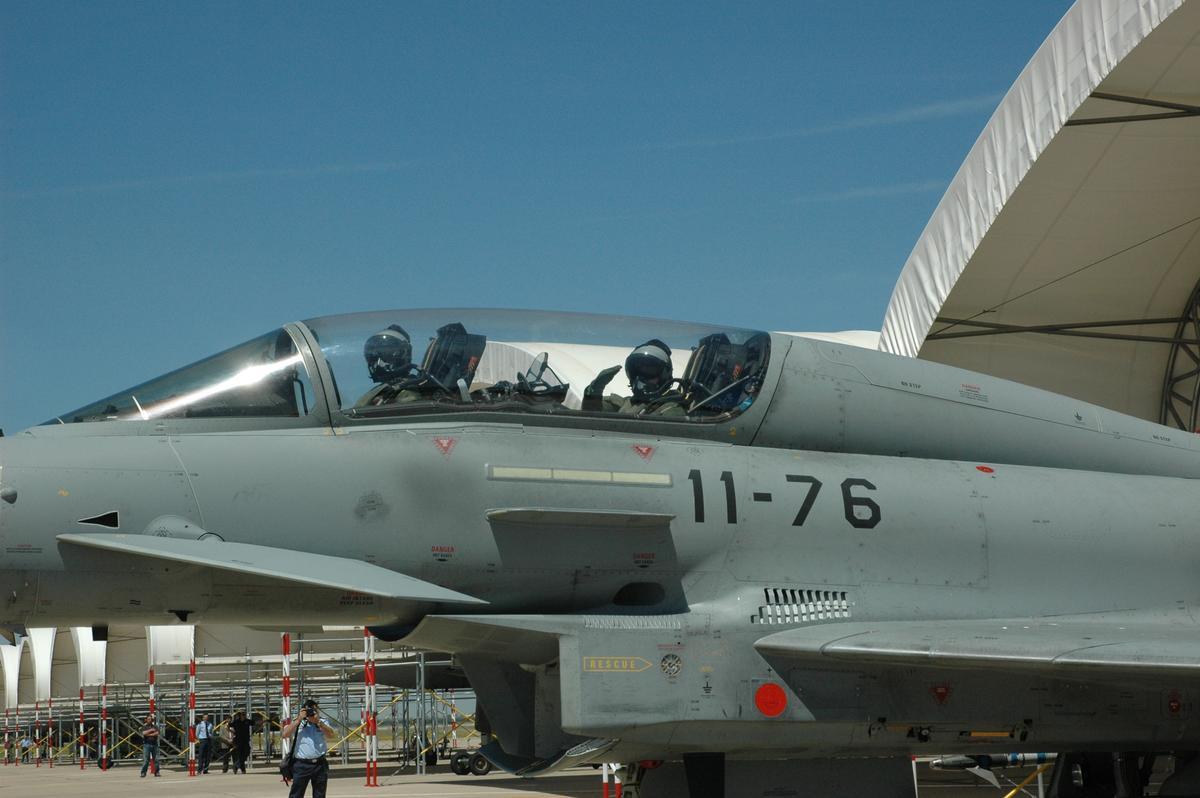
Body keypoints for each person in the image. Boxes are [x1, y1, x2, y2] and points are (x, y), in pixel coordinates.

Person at [585, 339, 686, 417]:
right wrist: (594, 392)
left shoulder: (670, 409)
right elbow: (590, 417)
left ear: (664, 375)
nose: (640, 378)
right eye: (636, 371)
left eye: (649, 371)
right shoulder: (624, 404)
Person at [282, 699, 336, 798]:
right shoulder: (298, 722)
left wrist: (318, 722)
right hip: (302, 764)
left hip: (319, 764)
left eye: (315, 710)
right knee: (296, 794)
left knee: (320, 794)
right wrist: (299, 719)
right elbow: (285, 734)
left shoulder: (322, 722)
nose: (312, 712)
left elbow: (331, 735)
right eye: (309, 710)